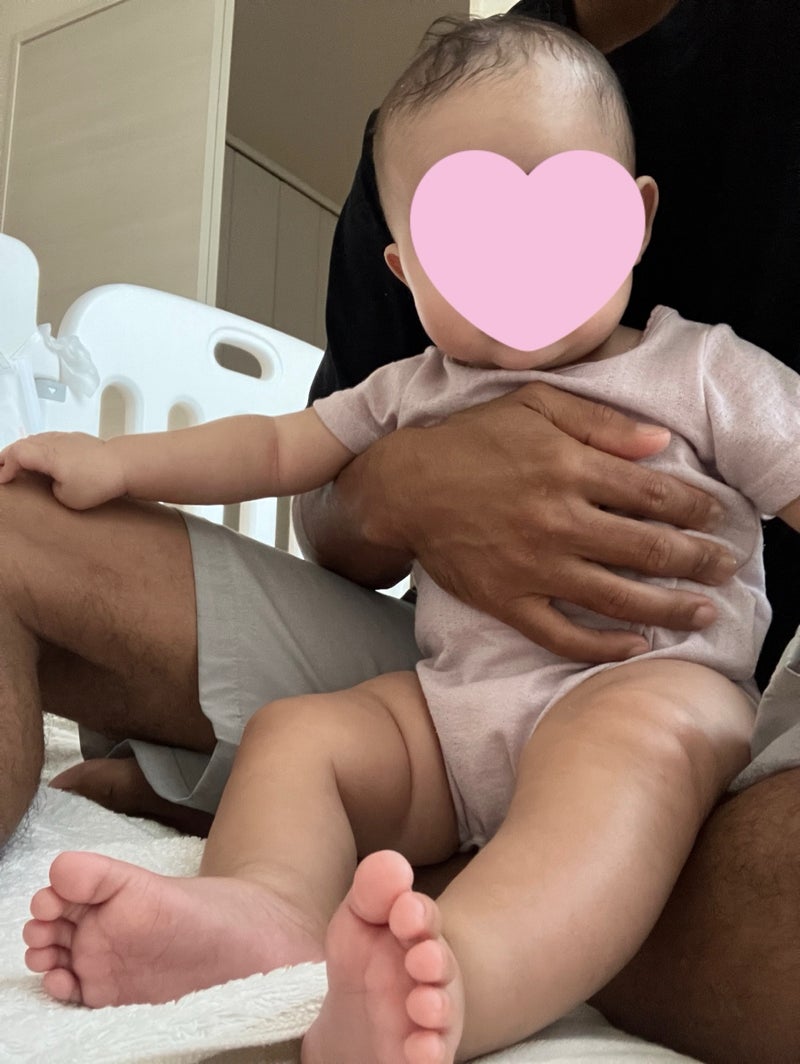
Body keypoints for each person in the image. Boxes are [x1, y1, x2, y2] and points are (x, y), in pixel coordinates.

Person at [0, 1, 796, 1060]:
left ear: (638, 217)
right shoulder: (415, 386)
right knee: (303, 738)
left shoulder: (700, 368)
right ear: (405, 270)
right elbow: (275, 449)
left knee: (621, 767)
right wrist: (116, 460)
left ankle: (459, 979)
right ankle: (266, 907)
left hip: (647, 687)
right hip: (452, 707)